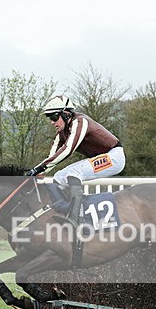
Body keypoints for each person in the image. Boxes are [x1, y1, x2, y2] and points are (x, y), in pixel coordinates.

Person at [25, 95, 125, 225]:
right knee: (59, 177)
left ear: (66, 114)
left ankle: (75, 217)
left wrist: (39, 168)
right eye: (49, 118)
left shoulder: (80, 122)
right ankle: (65, 210)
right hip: (100, 158)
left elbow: (68, 149)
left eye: (54, 117)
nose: (52, 122)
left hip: (114, 156)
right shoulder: (61, 132)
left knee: (73, 173)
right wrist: (36, 171)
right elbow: (51, 159)